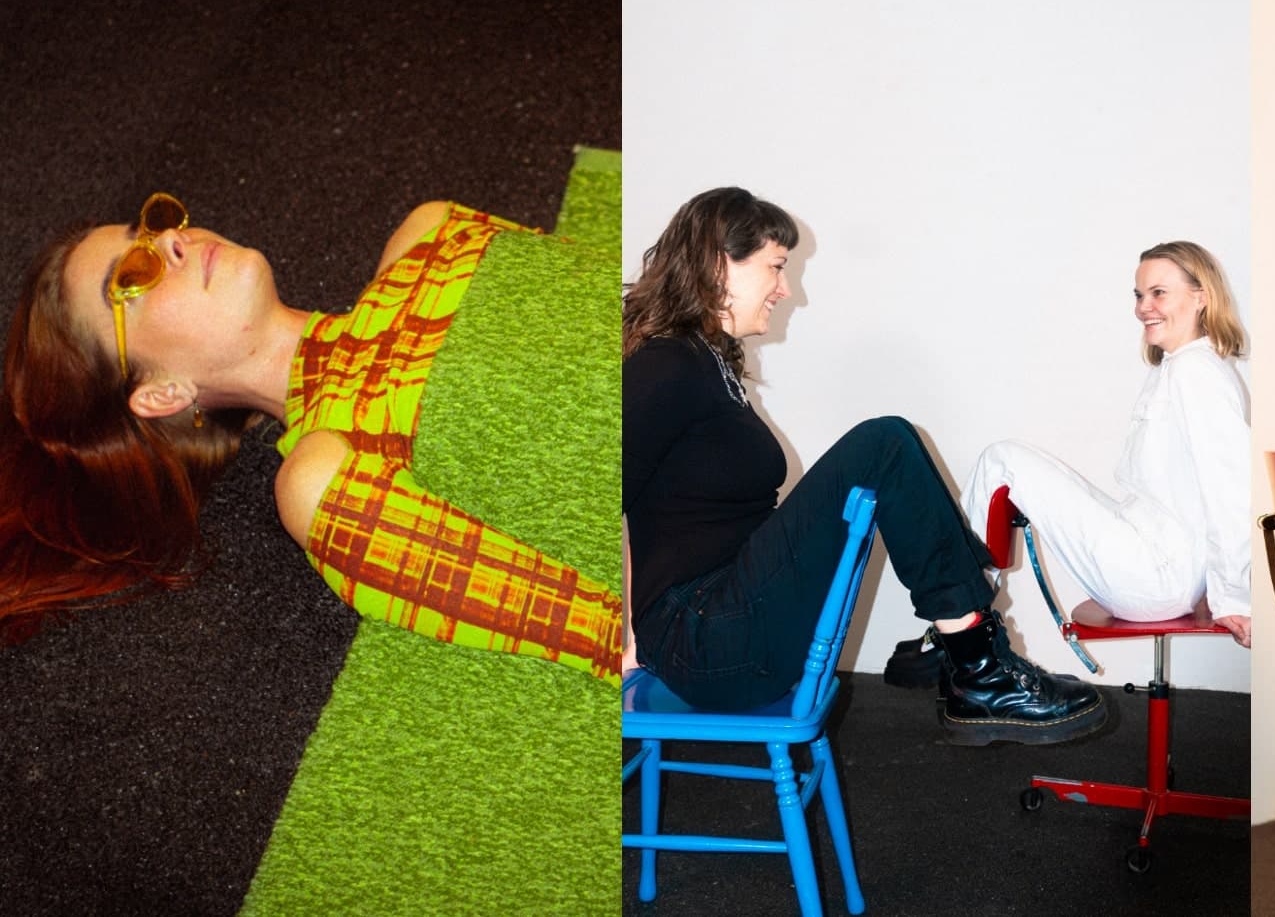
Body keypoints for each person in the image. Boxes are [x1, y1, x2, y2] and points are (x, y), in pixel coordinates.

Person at [0, 193, 623, 682]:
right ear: (162, 393)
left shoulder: (431, 233)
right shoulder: (323, 476)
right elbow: (600, 628)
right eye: (134, 274)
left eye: (150, 228)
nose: (171, 239)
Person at [621, 186, 1105, 745]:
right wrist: (625, 638)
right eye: (776, 268)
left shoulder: (707, 364)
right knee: (885, 442)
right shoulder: (666, 365)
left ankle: (967, 650)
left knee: (887, 445)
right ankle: (977, 662)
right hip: (709, 638)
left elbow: (652, 508)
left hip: (727, 619)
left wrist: (636, 636)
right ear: (717, 264)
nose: (786, 289)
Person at [948, 242, 1250, 650]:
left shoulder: (1196, 373)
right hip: (1152, 557)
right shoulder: (1178, 367)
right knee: (1009, 463)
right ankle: (966, 618)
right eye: (1139, 295)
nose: (1144, 307)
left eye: (1159, 292)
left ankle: (960, 621)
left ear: (1201, 298)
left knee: (1004, 460)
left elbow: (1230, 488)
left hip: (1156, 573)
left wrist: (1234, 596)